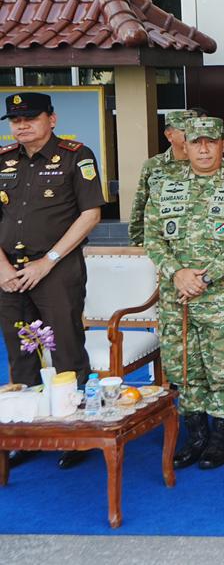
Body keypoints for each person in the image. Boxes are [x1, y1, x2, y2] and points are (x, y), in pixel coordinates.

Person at [144, 116, 224, 471]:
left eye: (211, 141)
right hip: (176, 297)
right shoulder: (164, 187)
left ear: (222, 144)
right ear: (186, 145)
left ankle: (221, 436)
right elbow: (152, 237)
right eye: (197, 142)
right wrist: (177, 273)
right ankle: (195, 435)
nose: (205, 149)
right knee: (183, 367)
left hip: (220, 298)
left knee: (222, 369)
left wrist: (206, 277)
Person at [0, 92, 105, 469]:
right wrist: (2, 268)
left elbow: (90, 215)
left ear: (52, 119)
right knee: (21, 353)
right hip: (10, 274)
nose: (22, 125)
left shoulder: (76, 156)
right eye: (16, 120)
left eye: (30, 117)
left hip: (57, 271)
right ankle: (28, 433)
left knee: (66, 350)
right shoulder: (3, 160)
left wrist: (47, 262)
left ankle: (75, 433)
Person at [129, 109, 195, 246]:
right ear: (169, 135)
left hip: (198, 244)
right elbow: (140, 205)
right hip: (161, 244)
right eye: (185, 130)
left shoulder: (210, 164)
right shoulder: (153, 165)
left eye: (194, 129)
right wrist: (137, 241)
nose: (192, 135)